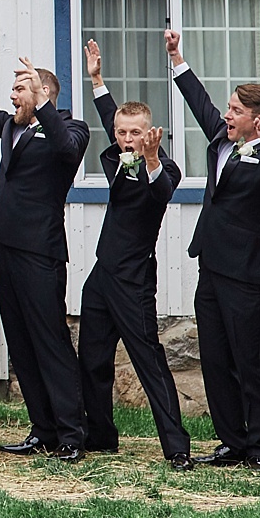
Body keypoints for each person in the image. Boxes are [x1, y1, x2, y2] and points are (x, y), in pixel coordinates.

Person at [0, 29, 91, 462]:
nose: (13, 95)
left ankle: (70, 433)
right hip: (4, 244)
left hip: (40, 250)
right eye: (12, 88)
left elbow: (66, 149)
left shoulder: (70, 128)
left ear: (43, 93)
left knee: (49, 339)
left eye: (21, 87)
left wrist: (44, 103)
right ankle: (42, 429)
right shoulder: (12, 127)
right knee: (21, 341)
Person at [166, 29, 260, 470]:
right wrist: (177, 58)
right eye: (228, 107)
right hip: (211, 267)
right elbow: (199, 102)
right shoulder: (221, 140)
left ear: (257, 119)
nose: (226, 114)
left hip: (247, 274)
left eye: (236, 110)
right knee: (216, 360)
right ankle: (231, 442)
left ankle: (259, 449)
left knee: (250, 361)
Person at [79, 40, 193, 470]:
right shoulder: (115, 157)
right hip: (101, 277)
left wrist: (149, 160)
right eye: (121, 132)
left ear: (150, 132)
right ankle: (101, 436)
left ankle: (177, 447)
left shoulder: (164, 168)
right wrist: (96, 80)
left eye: (135, 133)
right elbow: (114, 116)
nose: (127, 138)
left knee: (149, 362)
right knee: (91, 359)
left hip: (134, 280)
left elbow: (159, 192)